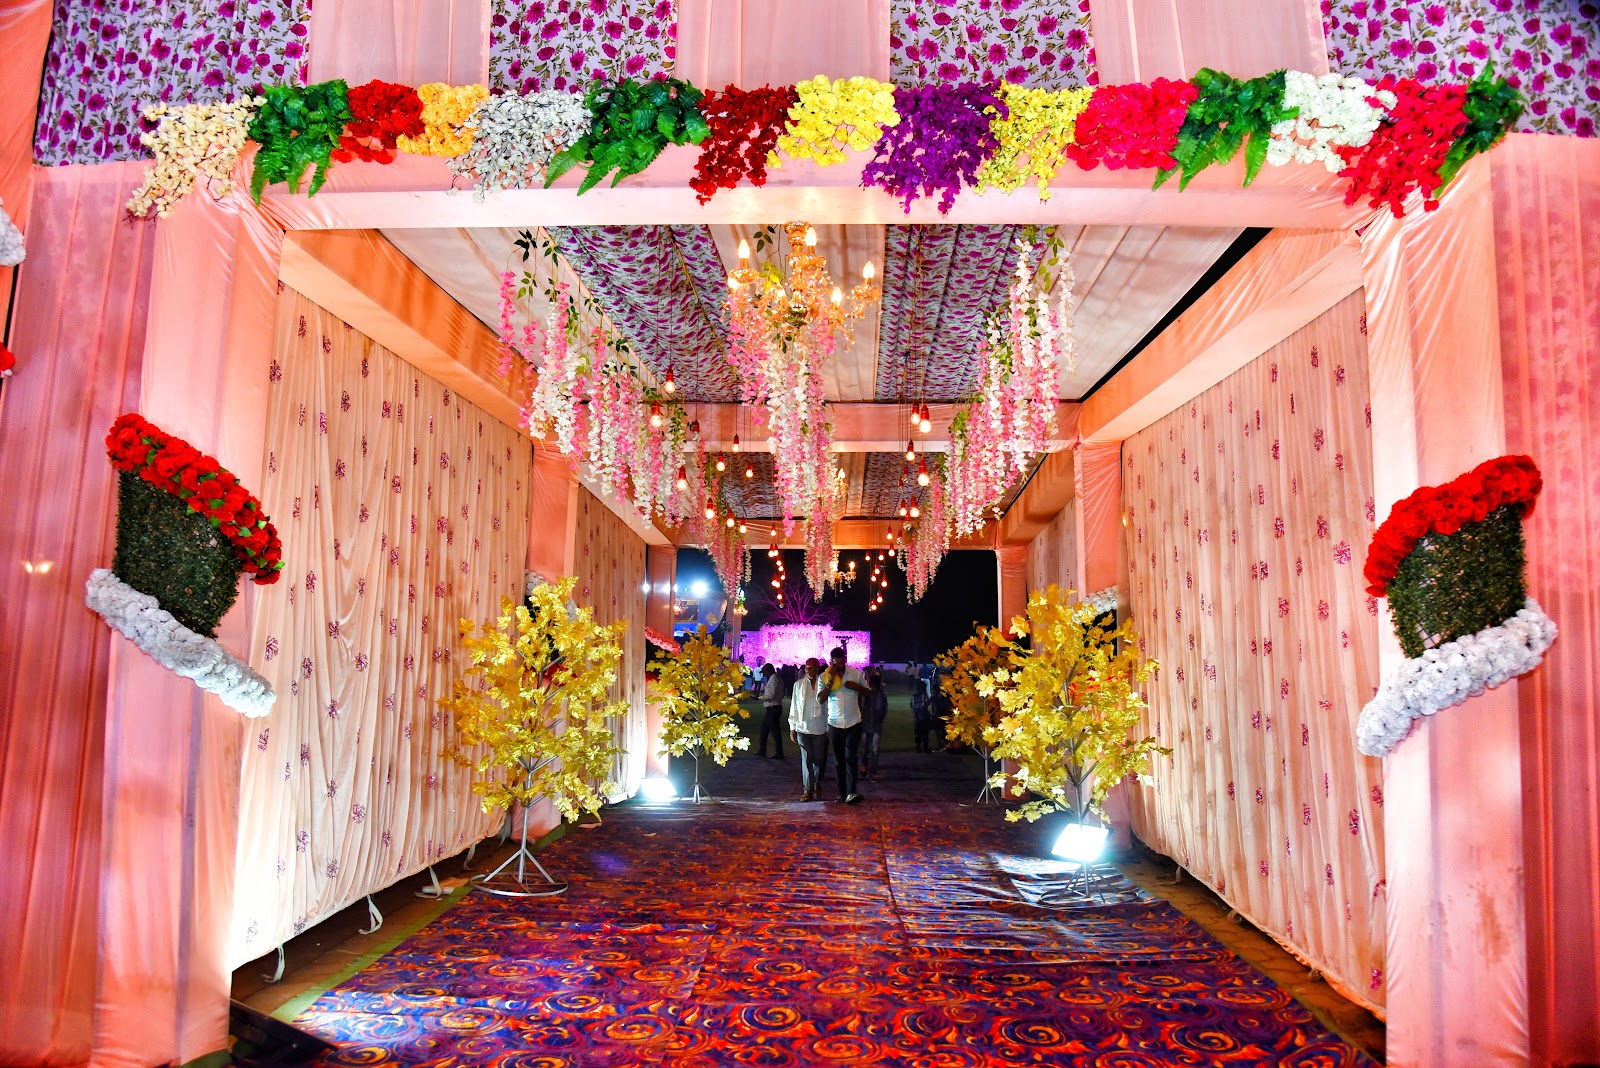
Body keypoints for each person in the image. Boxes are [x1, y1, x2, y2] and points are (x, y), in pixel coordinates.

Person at [818, 646, 870, 803]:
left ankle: (851, 792)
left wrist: (857, 687)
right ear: (831, 661)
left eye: (842, 663)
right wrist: (831, 681)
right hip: (834, 722)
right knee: (839, 759)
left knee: (850, 757)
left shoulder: (855, 673)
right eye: (837, 663)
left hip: (853, 721)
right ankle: (841, 793)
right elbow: (820, 699)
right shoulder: (824, 676)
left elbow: (869, 693)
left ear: (845, 660)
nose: (840, 666)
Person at [788, 657, 829, 802]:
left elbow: (828, 707)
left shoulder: (823, 685)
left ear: (817, 668)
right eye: (806, 667)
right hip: (803, 727)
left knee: (818, 760)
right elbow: (794, 706)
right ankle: (807, 789)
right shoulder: (798, 685)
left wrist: (829, 728)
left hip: (819, 728)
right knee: (806, 760)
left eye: (811, 667)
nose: (808, 670)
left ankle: (817, 784)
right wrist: (792, 727)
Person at [860, 669, 888, 781]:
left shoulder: (880, 695)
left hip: (874, 725)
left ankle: (872, 771)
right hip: (866, 725)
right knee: (865, 749)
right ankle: (865, 766)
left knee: (874, 750)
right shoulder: (865, 694)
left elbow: (882, 710)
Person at [757, 663, 785, 759]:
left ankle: (779, 753)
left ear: (768, 671)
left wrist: (760, 698)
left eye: (765, 672)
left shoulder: (773, 679)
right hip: (774, 708)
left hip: (773, 708)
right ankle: (762, 750)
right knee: (764, 730)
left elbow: (771, 695)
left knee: (774, 731)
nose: (764, 675)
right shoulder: (776, 678)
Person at [911, 677, 933, 753]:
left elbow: (912, 705)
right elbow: (926, 704)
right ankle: (925, 747)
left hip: (917, 717)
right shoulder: (923, 695)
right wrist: (931, 699)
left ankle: (918, 748)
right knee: (925, 732)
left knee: (918, 732)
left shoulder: (914, 695)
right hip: (923, 716)